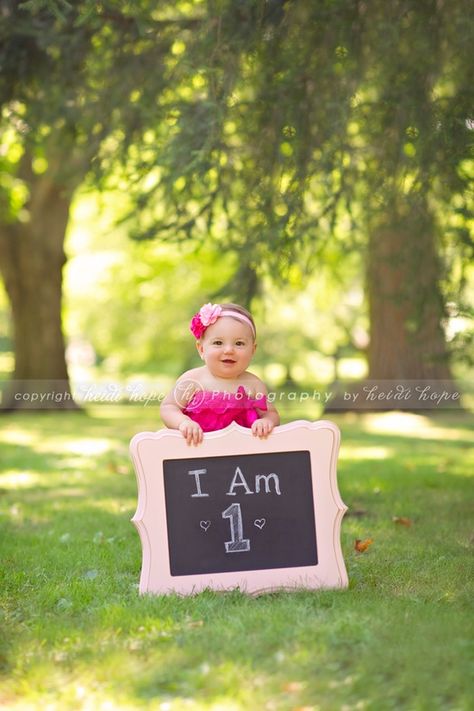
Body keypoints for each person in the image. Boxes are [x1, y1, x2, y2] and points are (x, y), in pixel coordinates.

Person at [160, 302, 280, 445]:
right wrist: (184, 423)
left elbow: (270, 413)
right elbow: (169, 407)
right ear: (201, 349)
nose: (229, 350)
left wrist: (266, 422)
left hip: (240, 454)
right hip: (196, 451)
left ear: (252, 350)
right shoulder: (192, 380)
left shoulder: (253, 384)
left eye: (239, 343)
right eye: (218, 343)